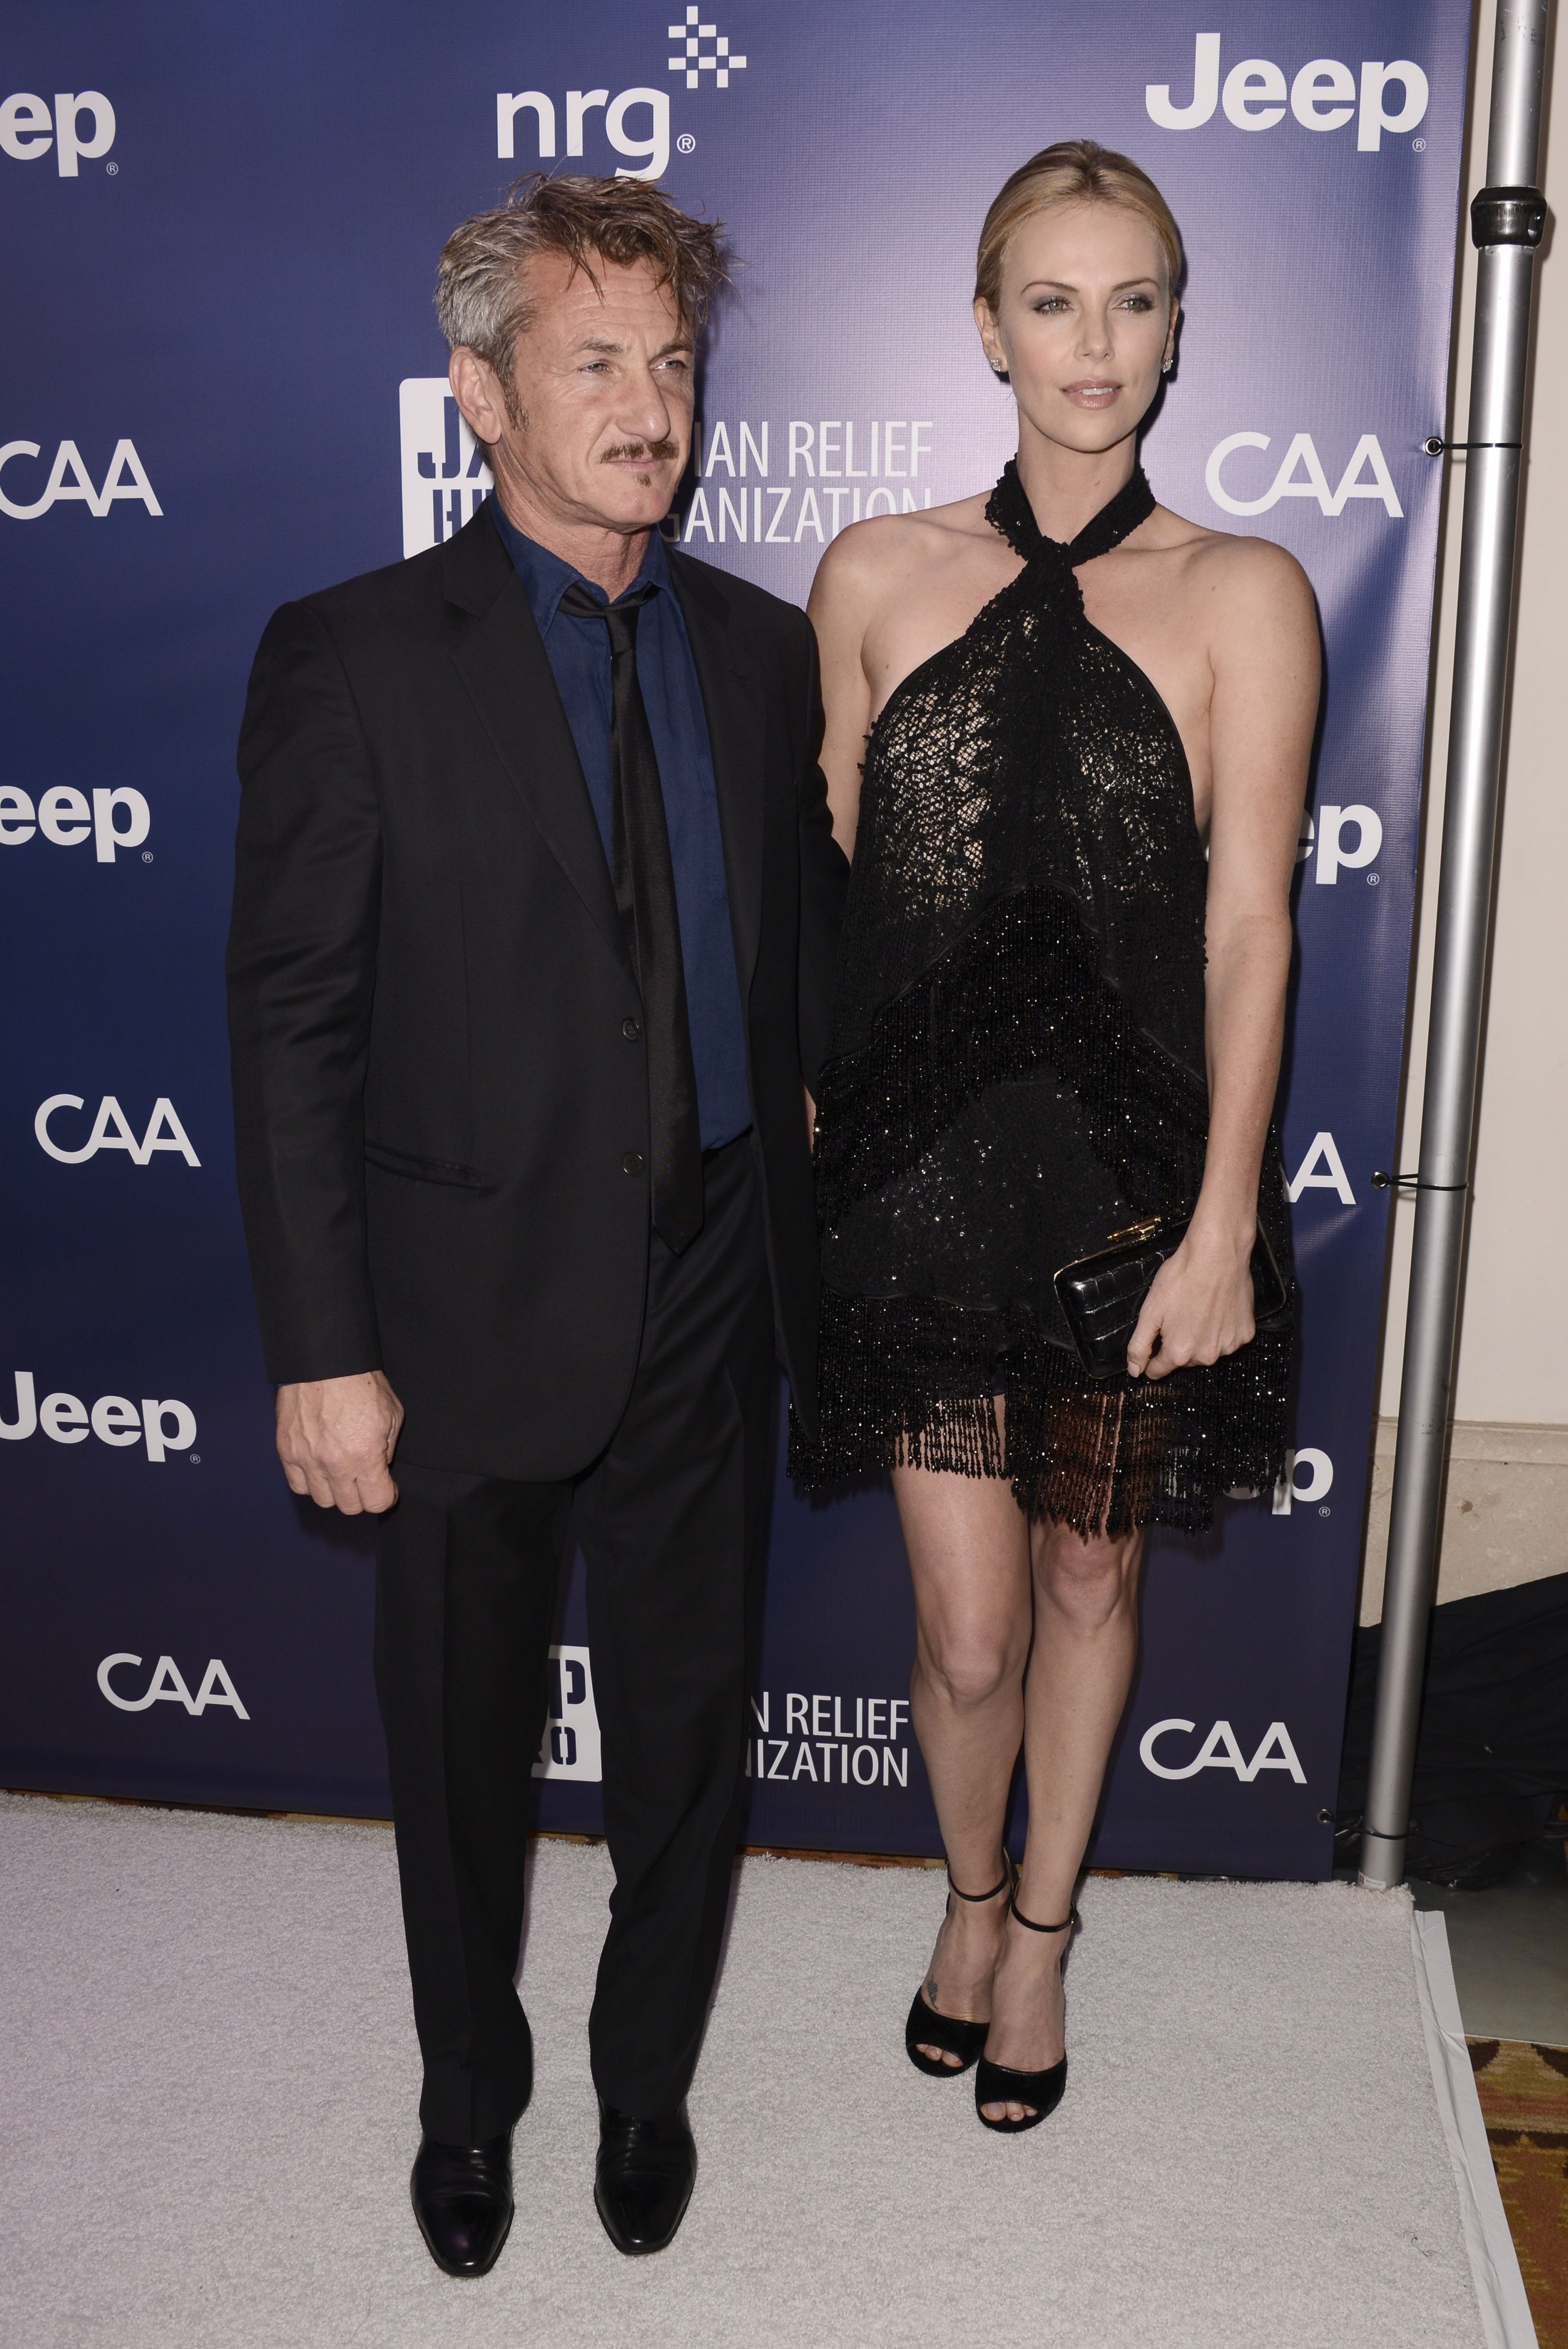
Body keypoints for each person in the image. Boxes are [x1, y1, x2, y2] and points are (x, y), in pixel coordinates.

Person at [226, 175, 846, 2267]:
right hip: (460, 1297)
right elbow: (293, 1021)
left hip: (714, 1278)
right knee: (459, 1750)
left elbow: (800, 948)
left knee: (686, 1729)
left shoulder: (759, 652)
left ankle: (645, 2084)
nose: (648, 404)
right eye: (595, 361)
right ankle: (466, 2103)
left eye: (670, 361)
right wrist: (324, 1346)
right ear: (481, 393)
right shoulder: (350, 656)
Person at [792, 142, 1316, 2132]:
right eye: (1051, 300)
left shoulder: (1243, 592)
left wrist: (1219, 1219)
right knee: (966, 1625)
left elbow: (1250, 924)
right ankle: (964, 1891)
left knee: (1091, 1584)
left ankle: (1040, 1936)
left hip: (1130, 1187)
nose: (1093, 344)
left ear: (1175, 328)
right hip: (918, 1179)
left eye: (1133, 300)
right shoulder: (871, 570)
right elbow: (832, 894)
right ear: (986, 324)